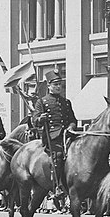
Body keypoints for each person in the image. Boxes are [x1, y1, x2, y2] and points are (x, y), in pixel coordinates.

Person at [32, 71, 77, 200]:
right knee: (57, 156)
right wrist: (41, 118)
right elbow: (34, 120)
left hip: (67, 135)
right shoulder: (41, 102)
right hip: (52, 137)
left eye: (60, 85)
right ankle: (57, 186)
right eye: (56, 84)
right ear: (49, 85)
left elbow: (73, 119)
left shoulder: (66, 102)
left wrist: (71, 127)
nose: (58, 87)